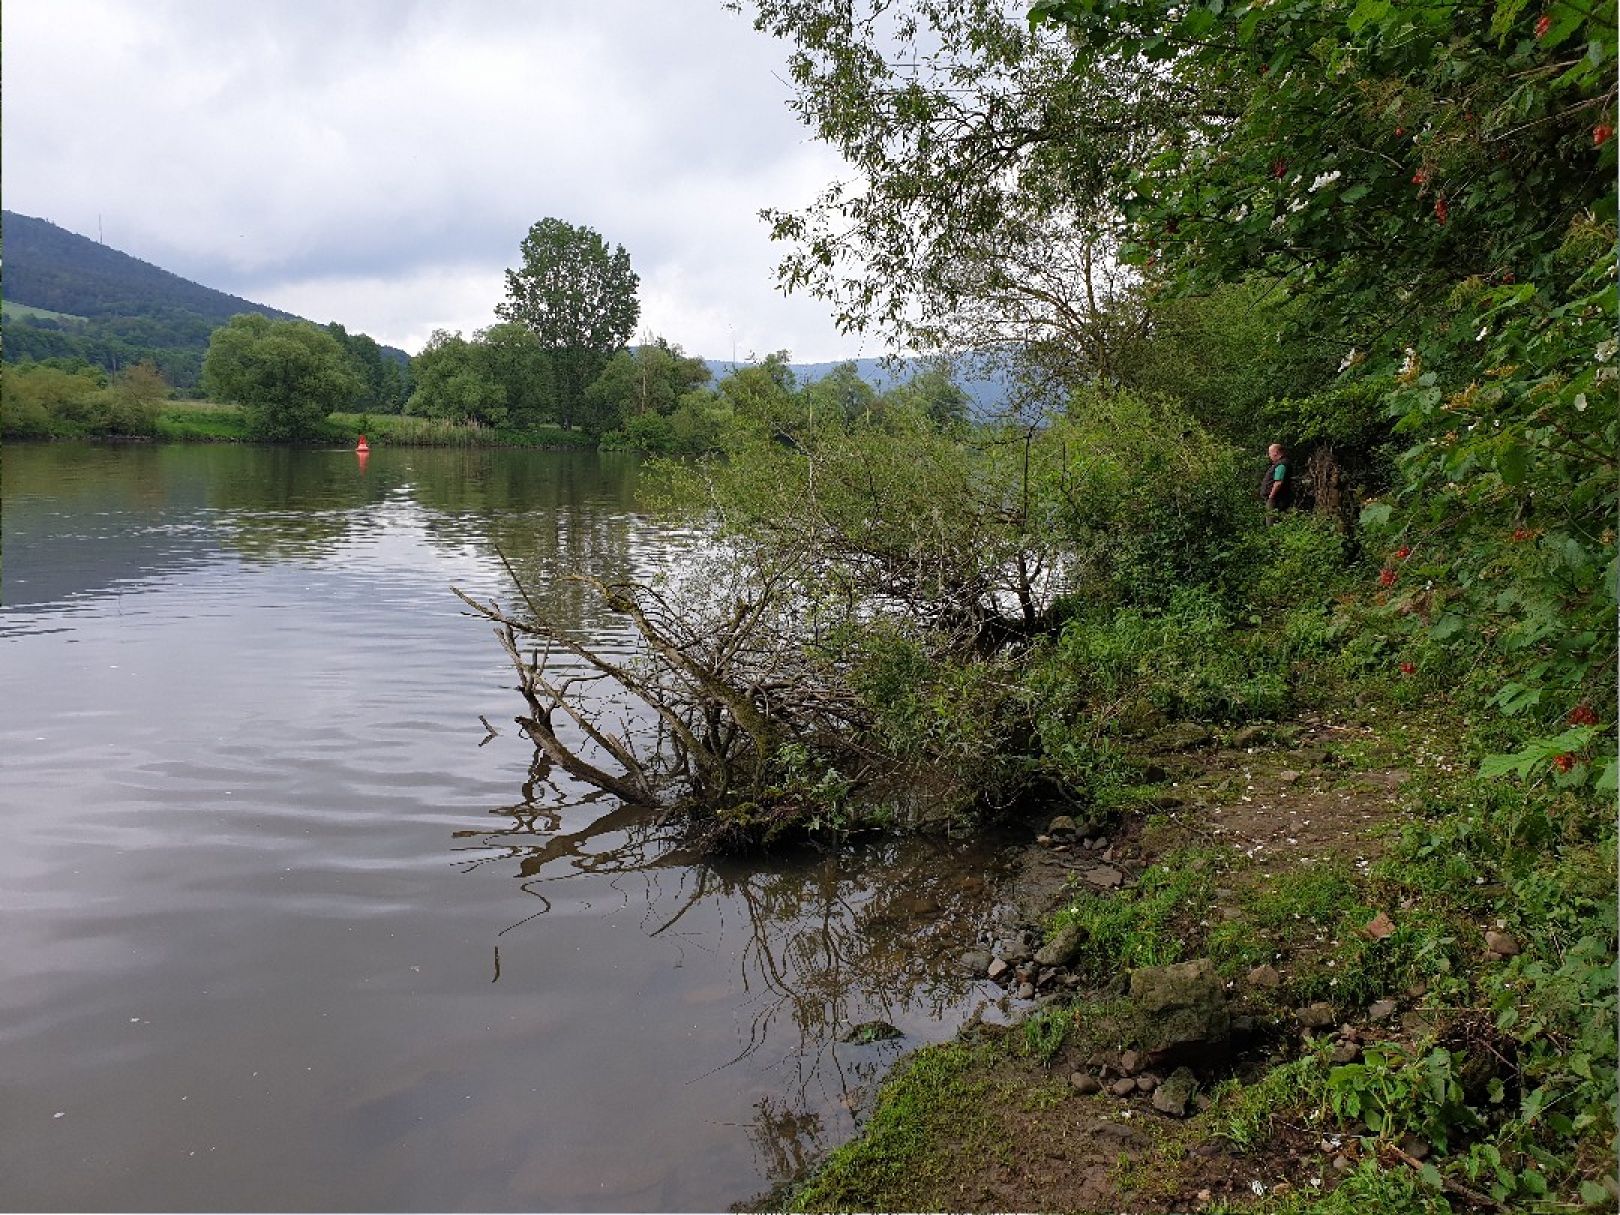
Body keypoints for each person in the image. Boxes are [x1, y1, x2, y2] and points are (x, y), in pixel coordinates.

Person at [1261, 442, 1292, 515]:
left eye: (1270, 453)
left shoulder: (1281, 464)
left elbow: (1278, 483)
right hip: (1277, 499)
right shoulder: (1280, 463)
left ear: (1276, 453)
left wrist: (1271, 497)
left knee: (1272, 522)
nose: (1269, 456)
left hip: (1276, 500)